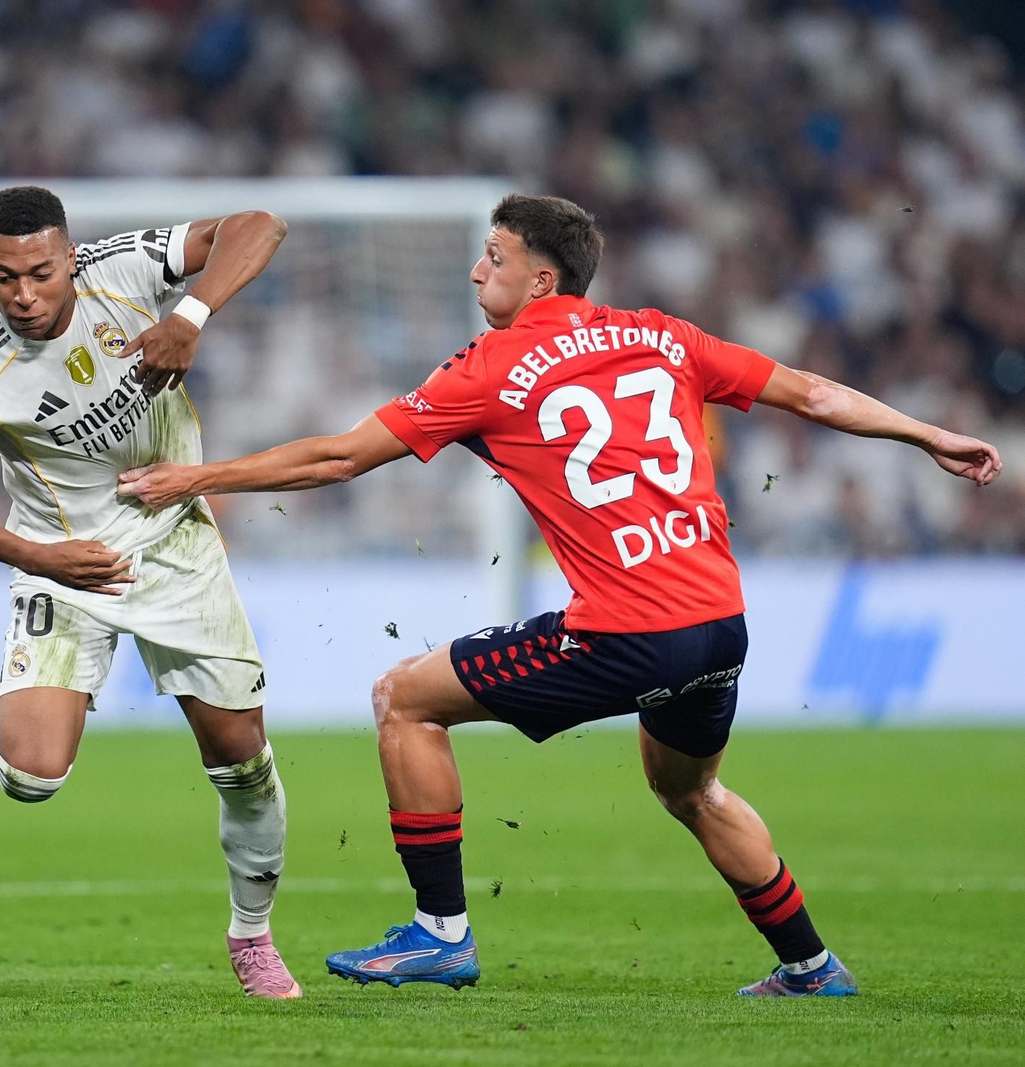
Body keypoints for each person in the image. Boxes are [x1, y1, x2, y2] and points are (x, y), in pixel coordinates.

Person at [117, 193, 1003, 996]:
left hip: (625, 631)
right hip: (719, 626)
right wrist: (929, 434)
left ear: (542, 279)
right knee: (692, 791)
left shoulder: (491, 367)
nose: (477, 271)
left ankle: (440, 933)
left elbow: (343, 456)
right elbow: (812, 392)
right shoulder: (664, 335)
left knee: (404, 698)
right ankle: (811, 966)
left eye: (494, 256)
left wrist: (196, 476)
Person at [0, 185, 301, 998]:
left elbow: (260, 225)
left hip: (174, 539)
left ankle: (252, 934)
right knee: (31, 775)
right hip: (64, 560)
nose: (23, 295)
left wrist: (189, 314)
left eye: (41, 273)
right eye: (3, 276)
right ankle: (33, 680)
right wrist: (39, 559)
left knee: (241, 758)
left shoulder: (122, 269)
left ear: (69, 257)